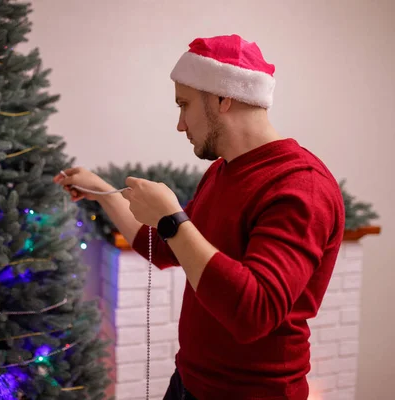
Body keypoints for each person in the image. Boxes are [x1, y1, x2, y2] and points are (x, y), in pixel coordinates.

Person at [54, 34, 345, 400]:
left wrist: (173, 219)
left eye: (184, 104)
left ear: (223, 98)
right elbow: (162, 247)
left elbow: (254, 312)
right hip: (188, 383)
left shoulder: (301, 186)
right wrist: (98, 189)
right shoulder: (223, 171)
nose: (180, 124)